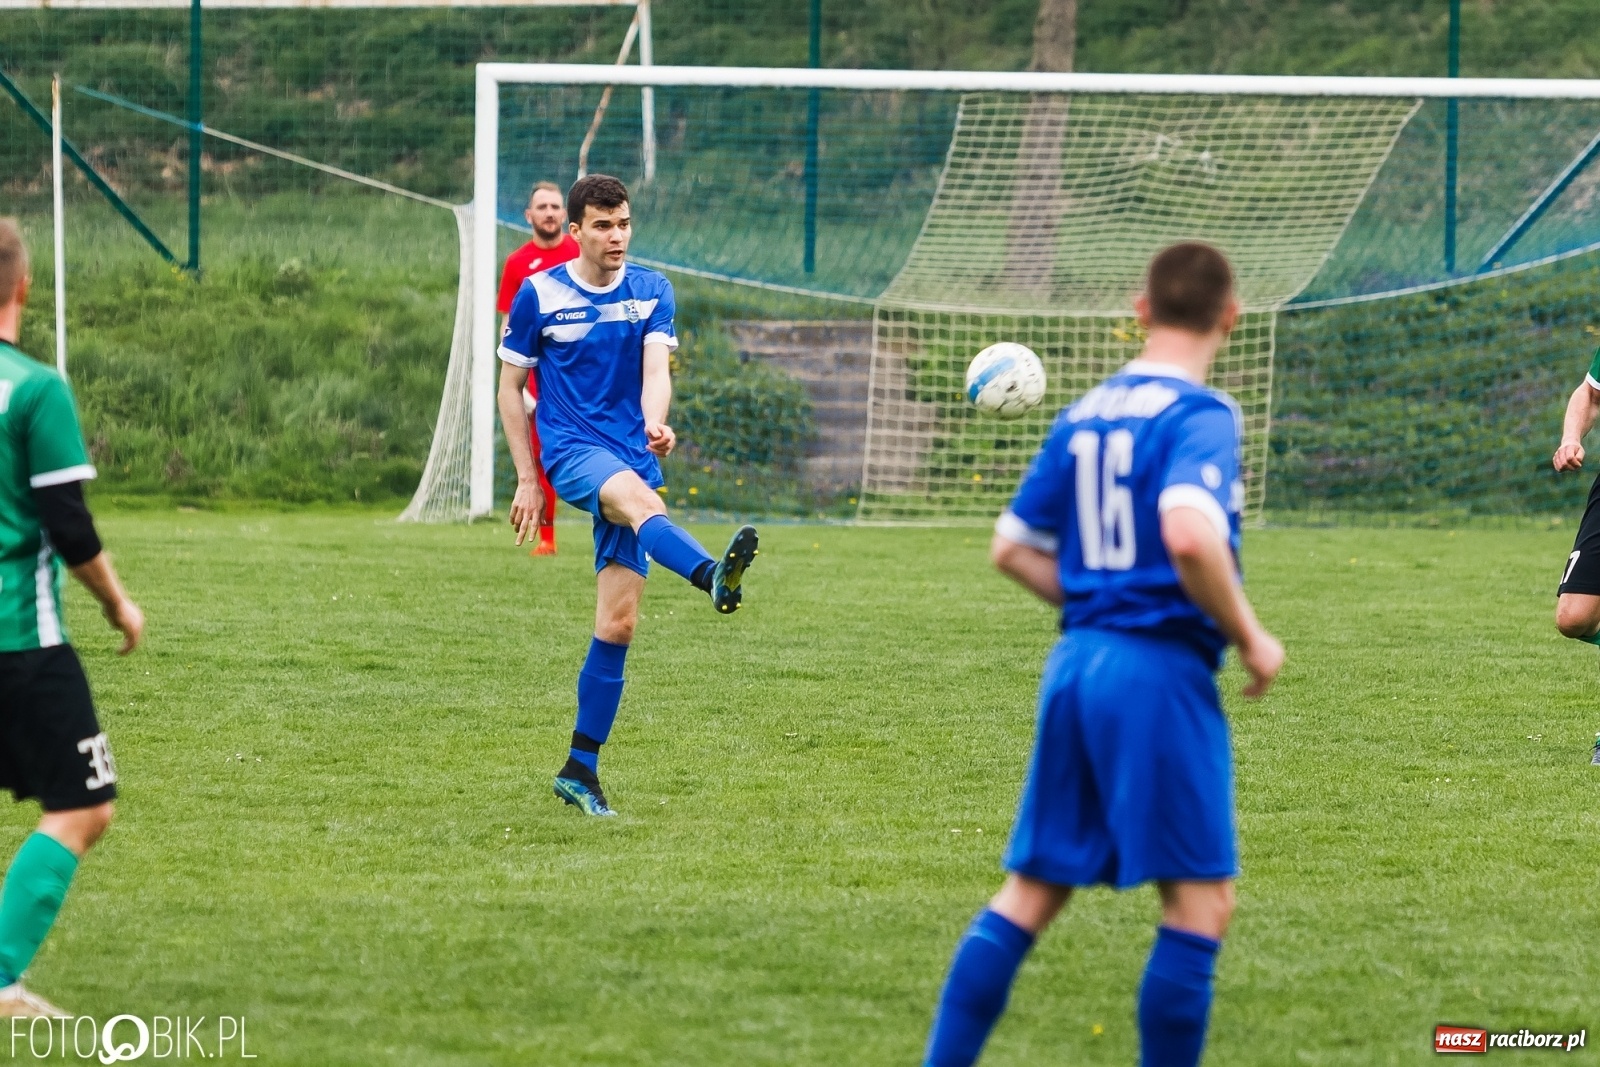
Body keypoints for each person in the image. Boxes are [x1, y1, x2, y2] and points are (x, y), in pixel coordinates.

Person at [922, 242, 1284, 1067]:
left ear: (1140, 309)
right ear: (1231, 315)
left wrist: (1096, 601)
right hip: (1156, 672)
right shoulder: (1201, 414)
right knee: (1200, 906)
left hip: (1077, 664)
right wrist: (1250, 634)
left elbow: (1011, 546)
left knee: (1034, 890)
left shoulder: (1084, 411)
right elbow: (1190, 532)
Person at [497, 175, 758, 818]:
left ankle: (579, 769)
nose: (617, 237)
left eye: (625, 225)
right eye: (604, 226)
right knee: (644, 507)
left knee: (618, 624)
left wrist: (654, 423)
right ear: (576, 230)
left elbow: (653, 375)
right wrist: (530, 479)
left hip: (630, 450)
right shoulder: (540, 294)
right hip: (571, 451)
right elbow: (509, 389)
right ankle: (710, 576)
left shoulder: (652, 291)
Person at [0, 219, 144, 1017]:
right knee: (84, 804)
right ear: (24, 287)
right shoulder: (34, 387)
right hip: (19, 640)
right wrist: (118, 603)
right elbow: (70, 526)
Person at [496, 182, 581, 556]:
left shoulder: (581, 252)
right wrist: (519, 377)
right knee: (539, 453)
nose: (549, 213)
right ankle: (547, 538)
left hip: (582, 373)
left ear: (566, 215)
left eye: (555, 206)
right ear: (529, 216)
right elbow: (508, 324)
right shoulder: (517, 263)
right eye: (541, 207)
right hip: (539, 379)